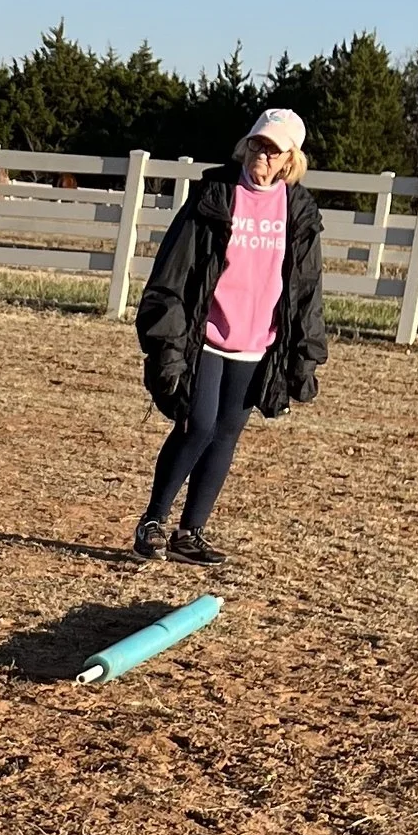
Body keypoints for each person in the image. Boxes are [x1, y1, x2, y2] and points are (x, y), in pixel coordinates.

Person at [131, 105, 327, 566]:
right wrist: (167, 340)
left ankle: (190, 533)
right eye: (257, 143)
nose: (261, 153)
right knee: (197, 427)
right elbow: (173, 272)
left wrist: (305, 352)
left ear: (289, 159)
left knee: (225, 434)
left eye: (272, 149)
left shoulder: (297, 210)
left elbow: (307, 286)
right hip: (205, 335)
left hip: (256, 342)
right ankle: (153, 522)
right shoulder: (215, 195)